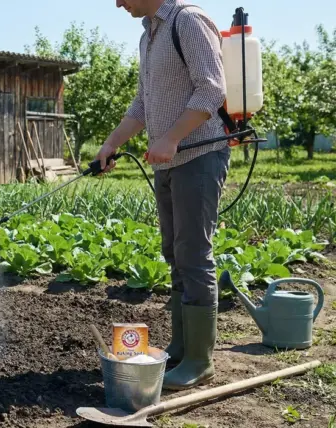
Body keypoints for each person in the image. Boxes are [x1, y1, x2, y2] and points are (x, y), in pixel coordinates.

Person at [97, 0, 230, 391]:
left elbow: (212, 88)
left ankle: (200, 362)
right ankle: (182, 346)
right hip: (168, 162)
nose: (117, 2)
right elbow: (142, 103)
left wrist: (171, 137)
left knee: (193, 253)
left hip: (200, 155)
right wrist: (110, 145)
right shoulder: (148, 35)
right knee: (174, 251)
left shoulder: (188, 21)